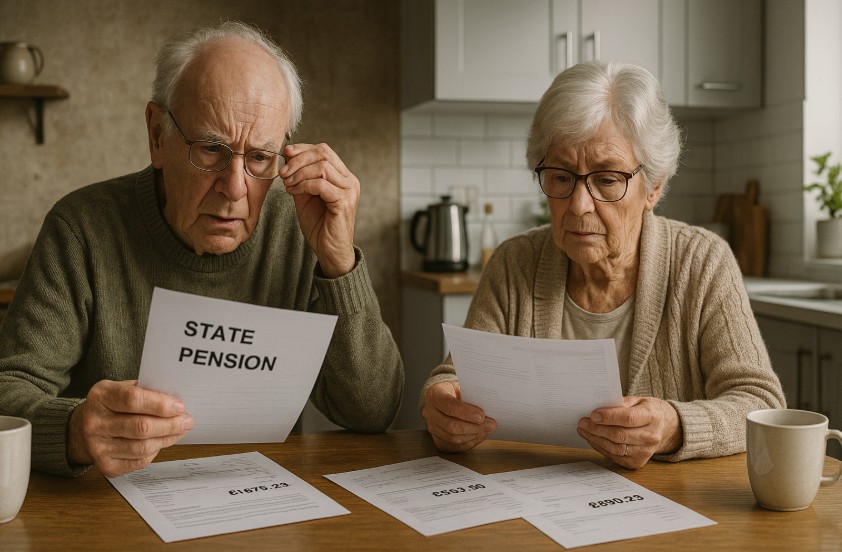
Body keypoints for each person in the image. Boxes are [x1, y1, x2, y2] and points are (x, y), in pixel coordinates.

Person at [0, 21, 404, 478]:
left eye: (259, 158)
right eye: (211, 149)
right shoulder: (81, 228)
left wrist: (338, 261)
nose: (235, 188)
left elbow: (373, 412)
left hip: (260, 495)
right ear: (157, 135)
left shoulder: (302, 225)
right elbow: (8, 394)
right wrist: (75, 431)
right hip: (108, 499)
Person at [420, 60, 785, 469]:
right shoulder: (514, 262)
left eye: (607, 180)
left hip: (670, 499)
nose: (579, 206)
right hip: (532, 491)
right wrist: (442, 403)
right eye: (561, 177)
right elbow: (456, 378)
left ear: (654, 187)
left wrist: (674, 426)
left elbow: (761, 404)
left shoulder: (702, 262)